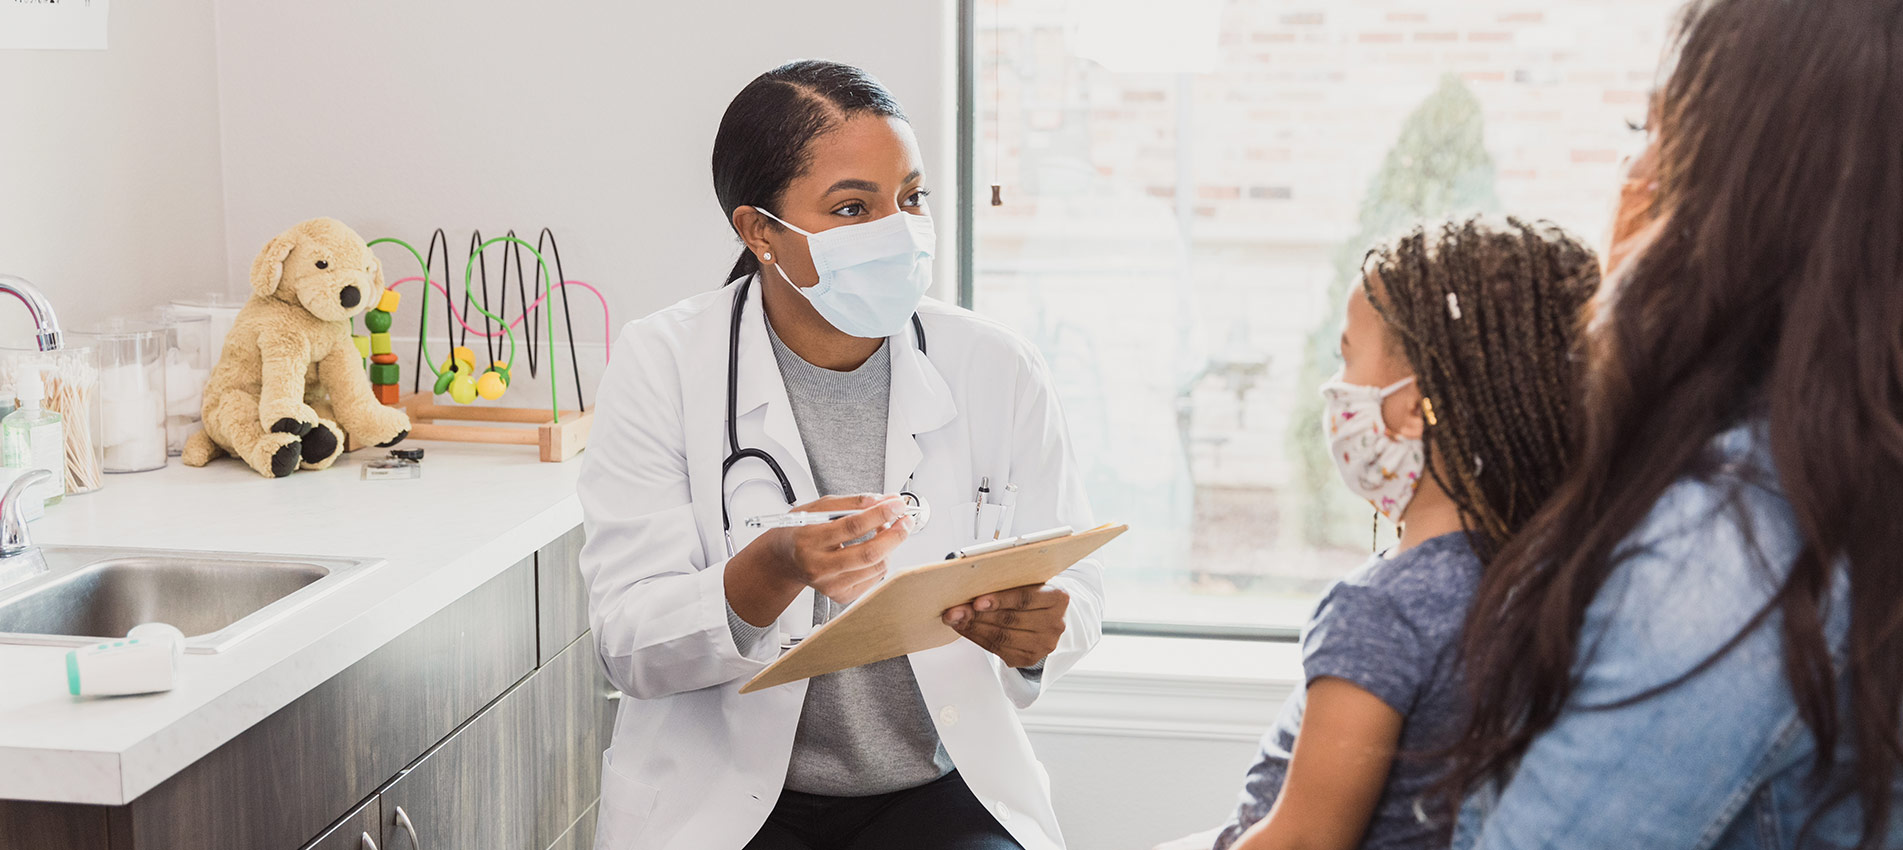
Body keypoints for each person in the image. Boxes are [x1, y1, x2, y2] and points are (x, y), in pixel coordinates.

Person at [576, 60, 1104, 850]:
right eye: (853, 207)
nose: (897, 230)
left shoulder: (994, 365)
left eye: (911, 199)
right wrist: (773, 567)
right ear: (760, 231)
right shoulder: (662, 365)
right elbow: (628, 644)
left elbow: (1077, 582)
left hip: (937, 788)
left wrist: (1045, 631)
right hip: (727, 800)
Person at [1440, 0, 1903, 847]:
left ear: (1746, 188)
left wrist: (1627, 329)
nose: (1633, 168)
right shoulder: (1850, 485)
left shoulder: (1729, 553)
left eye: (1656, 128)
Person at [1157, 216, 1599, 850]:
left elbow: (1306, 842)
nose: (1336, 390)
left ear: (1413, 406)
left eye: (1348, 357)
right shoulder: (1544, 573)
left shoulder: (1382, 611)